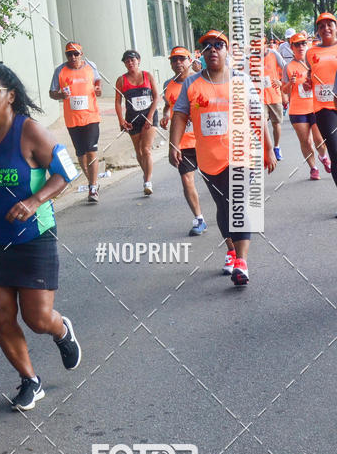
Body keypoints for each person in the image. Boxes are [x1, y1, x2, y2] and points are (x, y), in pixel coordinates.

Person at [0, 63, 81, 412]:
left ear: (10, 95)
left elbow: (66, 172)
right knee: (1, 317)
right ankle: (30, 380)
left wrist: (33, 200)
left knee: (37, 318)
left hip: (34, 235)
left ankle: (61, 331)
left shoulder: (31, 132)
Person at [170, 30, 276, 287]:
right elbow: (181, 114)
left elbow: (257, 115)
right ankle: (231, 249)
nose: (213, 49)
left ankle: (242, 261)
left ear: (227, 50)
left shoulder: (241, 80)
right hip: (209, 158)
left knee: (238, 202)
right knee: (223, 206)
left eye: (219, 45)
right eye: (207, 46)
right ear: (202, 54)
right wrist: (174, 143)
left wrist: (268, 148)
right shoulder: (191, 84)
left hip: (242, 153)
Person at [160, 47, 207, 236]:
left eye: (181, 59)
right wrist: (165, 115)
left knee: (216, 181)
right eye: (174, 60)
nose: (177, 63)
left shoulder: (203, 79)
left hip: (205, 140)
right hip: (183, 143)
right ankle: (199, 219)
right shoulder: (167, 84)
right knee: (187, 179)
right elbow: (167, 105)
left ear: (190, 60)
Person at [49, 42, 102, 203]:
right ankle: (92, 181)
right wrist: (61, 96)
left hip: (91, 116)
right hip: (72, 119)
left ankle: (92, 188)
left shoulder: (90, 66)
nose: (72, 57)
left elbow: (97, 82)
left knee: (91, 151)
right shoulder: (60, 70)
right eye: (69, 54)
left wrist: (98, 89)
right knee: (81, 154)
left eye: (75, 54)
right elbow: (52, 93)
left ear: (81, 53)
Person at [281, 33, 331, 180]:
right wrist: (291, 82)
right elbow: (284, 90)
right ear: (292, 47)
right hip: (298, 110)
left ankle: (323, 157)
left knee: (320, 139)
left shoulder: (313, 61)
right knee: (306, 141)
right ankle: (313, 168)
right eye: (297, 44)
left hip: (316, 107)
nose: (301, 47)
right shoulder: (288, 67)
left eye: (303, 43)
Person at [115, 50, 159, 196]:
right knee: (138, 150)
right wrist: (121, 120)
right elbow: (117, 101)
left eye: (133, 60)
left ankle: (147, 181)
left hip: (149, 115)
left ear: (138, 60)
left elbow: (157, 97)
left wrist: (151, 116)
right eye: (127, 61)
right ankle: (146, 173)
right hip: (132, 118)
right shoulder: (121, 80)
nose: (130, 63)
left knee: (146, 149)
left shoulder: (148, 76)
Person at [304, 12, 337, 206]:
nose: (326, 28)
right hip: (324, 108)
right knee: (334, 151)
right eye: (321, 26)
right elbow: (311, 74)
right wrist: (309, 83)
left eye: (330, 24)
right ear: (317, 30)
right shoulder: (311, 52)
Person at [263, 39, 285, 160]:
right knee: (262, 124)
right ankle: (267, 148)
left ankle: (276, 147)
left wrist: (281, 82)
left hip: (274, 95)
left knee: (276, 124)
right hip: (259, 97)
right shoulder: (250, 58)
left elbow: (286, 68)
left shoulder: (274, 54)